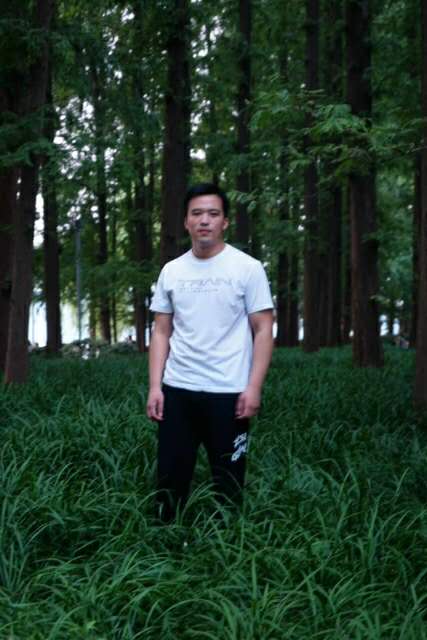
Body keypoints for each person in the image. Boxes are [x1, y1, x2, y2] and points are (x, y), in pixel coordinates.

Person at [146, 183, 274, 522]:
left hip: (229, 394)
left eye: (213, 214)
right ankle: (167, 542)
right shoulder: (172, 271)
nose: (205, 220)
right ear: (186, 221)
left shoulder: (248, 268)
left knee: (229, 484)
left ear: (225, 222)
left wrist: (254, 387)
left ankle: (227, 545)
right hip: (178, 391)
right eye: (197, 213)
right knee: (169, 484)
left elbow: (263, 330)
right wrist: (155, 387)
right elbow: (161, 331)